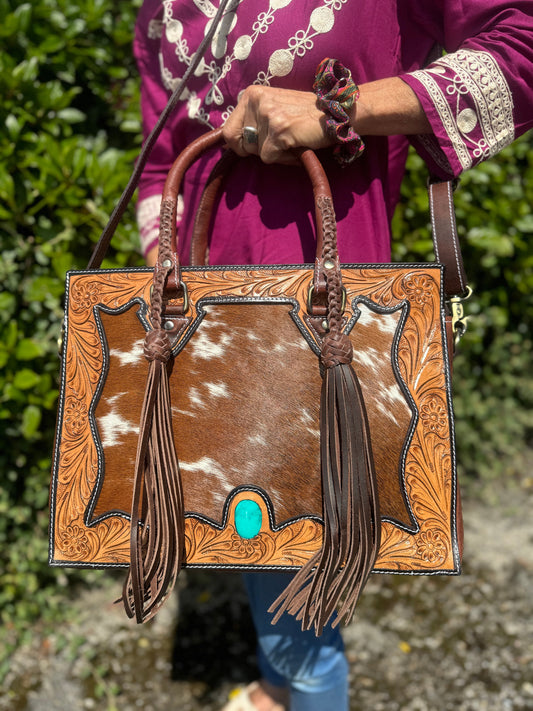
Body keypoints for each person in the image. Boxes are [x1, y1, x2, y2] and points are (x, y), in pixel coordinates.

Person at [132, 2, 533, 710]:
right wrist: (174, 288)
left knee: (301, 618)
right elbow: (161, 164)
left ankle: (290, 685)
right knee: (260, 555)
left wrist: (342, 109)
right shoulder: (160, 11)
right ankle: (274, 688)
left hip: (325, 337)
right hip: (204, 340)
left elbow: (523, 45)